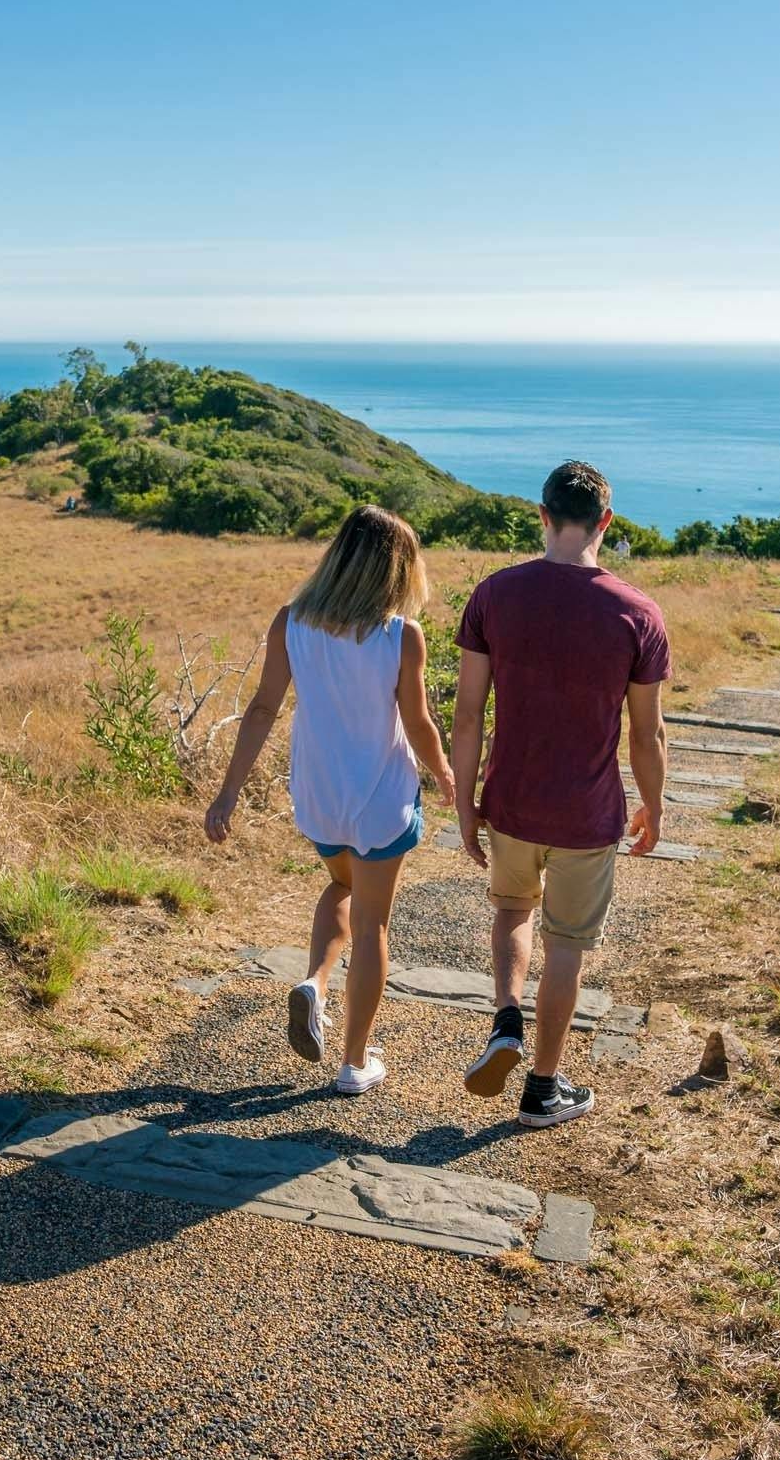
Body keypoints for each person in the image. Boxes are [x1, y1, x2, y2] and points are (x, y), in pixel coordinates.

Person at [204, 505, 457, 1095]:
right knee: (372, 925)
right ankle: (354, 1061)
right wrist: (445, 773)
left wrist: (227, 794)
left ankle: (315, 983)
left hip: (318, 795)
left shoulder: (291, 622)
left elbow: (263, 709)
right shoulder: (400, 635)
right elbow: (417, 723)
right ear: (395, 571)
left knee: (342, 886)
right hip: (380, 797)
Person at [451, 461, 669, 1128]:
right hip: (588, 813)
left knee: (513, 908)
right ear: (606, 521)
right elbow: (646, 732)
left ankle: (506, 1021)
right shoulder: (638, 613)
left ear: (541, 515)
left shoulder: (495, 595)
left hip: (511, 801)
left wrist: (464, 804)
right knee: (567, 943)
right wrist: (654, 806)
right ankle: (544, 1088)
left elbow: (466, 715)